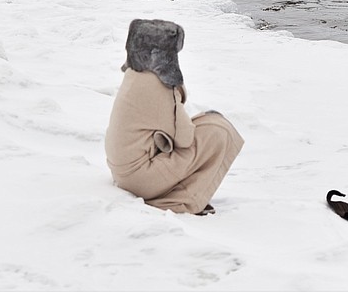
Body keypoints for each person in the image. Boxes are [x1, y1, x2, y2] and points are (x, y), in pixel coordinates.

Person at [104, 19, 245, 215]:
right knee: (218, 131)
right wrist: (175, 90)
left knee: (207, 124)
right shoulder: (157, 85)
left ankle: (179, 193)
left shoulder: (134, 74)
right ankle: (185, 200)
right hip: (139, 178)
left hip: (123, 171)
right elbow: (185, 138)